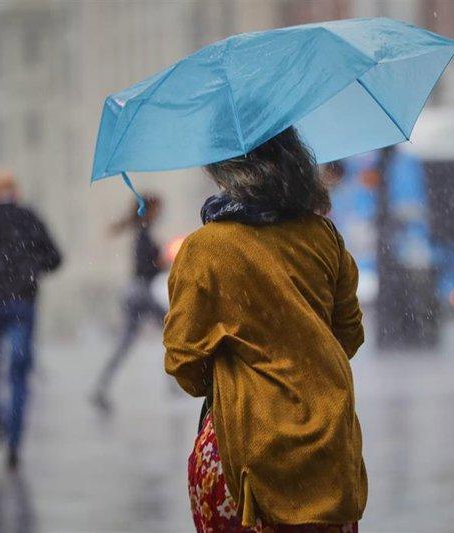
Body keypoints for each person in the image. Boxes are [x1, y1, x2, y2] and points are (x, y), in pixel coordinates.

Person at [164, 127, 366, 531]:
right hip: (329, 457)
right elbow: (349, 335)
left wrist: (234, 371)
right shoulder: (323, 237)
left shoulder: (206, 248)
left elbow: (184, 362)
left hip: (242, 466)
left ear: (227, 168)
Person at [0, 170, 62, 470]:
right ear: (15, 193)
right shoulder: (29, 218)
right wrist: (30, 269)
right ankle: (15, 442)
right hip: (21, 303)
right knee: (18, 374)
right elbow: (55, 258)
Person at [91, 196, 166, 411]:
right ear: (149, 210)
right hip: (140, 292)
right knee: (174, 329)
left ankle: (101, 386)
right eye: (158, 209)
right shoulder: (143, 233)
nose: (160, 213)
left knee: (126, 343)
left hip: (135, 292)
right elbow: (145, 266)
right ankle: (178, 382)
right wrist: (162, 262)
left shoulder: (142, 230)